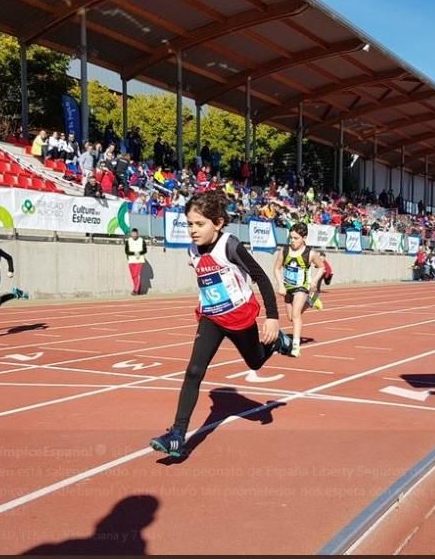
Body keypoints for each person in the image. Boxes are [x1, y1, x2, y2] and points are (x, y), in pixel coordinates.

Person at [149, 190, 294, 459]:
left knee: (255, 362)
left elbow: (261, 277)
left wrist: (272, 317)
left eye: (199, 224)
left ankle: (277, 342)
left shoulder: (230, 245)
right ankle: (177, 436)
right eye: (189, 224)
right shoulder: (192, 249)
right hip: (211, 317)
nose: (193, 230)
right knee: (194, 371)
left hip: (239, 317)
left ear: (217, 223)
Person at [273, 223, 325, 357]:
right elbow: (276, 268)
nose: (292, 241)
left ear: (304, 238)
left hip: (302, 287)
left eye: (296, 238)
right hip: (288, 288)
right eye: (291, 238)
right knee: (290, 317)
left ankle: (295, 347)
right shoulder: (284, 251)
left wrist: (314, 281)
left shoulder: (310, 253)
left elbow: (321, 267)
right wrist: (280, 285)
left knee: (296, 315)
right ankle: (311, 301)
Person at [124, 228, 148, 295]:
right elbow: (126, 251)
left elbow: (145, 250)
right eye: (133, 234)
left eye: (135, 234)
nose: (134, 235)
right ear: (131, 234)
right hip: (131, 261)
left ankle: (135, 290)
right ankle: (137, 288)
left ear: (137, 234)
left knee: (137, 275)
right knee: (133, 276)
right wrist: (134, 253)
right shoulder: (128, 241)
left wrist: (139, 253)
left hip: (139, 260)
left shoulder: (141, 240)